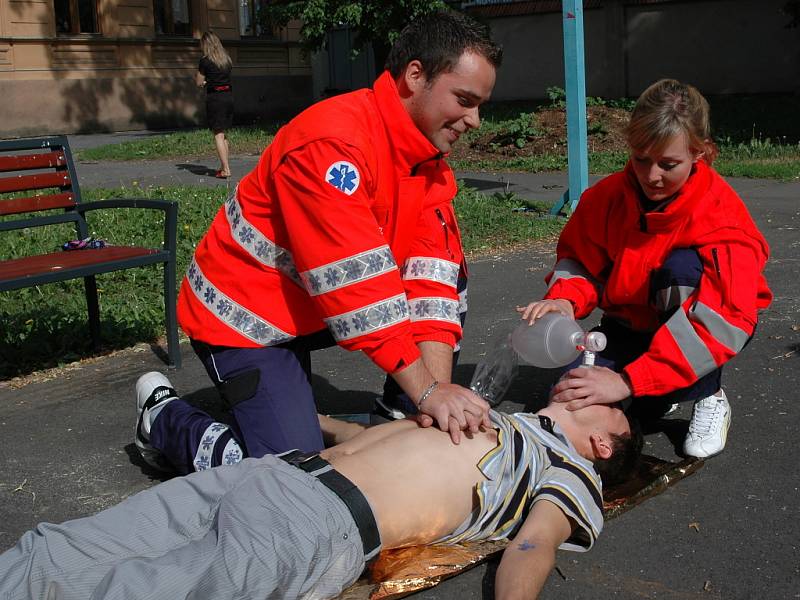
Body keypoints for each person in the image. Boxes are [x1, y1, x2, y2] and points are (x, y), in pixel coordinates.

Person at [173, 11, 503, 472]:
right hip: (246, 319)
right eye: (465, 100)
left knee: (450, 278)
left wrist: (431, 405)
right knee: (292, 475)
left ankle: (389, 414)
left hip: (310, 307)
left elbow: (434, 282)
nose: (475, 120)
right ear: (414, 76)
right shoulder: (332, 143)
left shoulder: (427, 161)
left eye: (481, 104)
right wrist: (429, 391)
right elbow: (352, 287)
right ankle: (165, 419)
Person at [0, 372, 642, 600]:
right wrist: (319, 422)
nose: (601, 383)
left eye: (617, 403)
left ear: (608, 440)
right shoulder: (506, 418)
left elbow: (535, 546)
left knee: (141, 592)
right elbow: (377, 439)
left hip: (321, 522)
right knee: (63, 549)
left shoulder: (570, 473)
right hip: (273, 472)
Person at [518, 79, 772, 458]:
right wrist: (565, 302)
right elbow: (579, 262)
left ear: (701, 154)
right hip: (626, 329)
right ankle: (660, 390)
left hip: (693, 331)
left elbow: (723, 321)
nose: (651, 176)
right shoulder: (605, 199)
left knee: (682, 270)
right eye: (640, 158)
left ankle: (707, 392)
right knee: (566, 395)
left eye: (668, 165)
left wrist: (625, 381)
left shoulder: (722, 219)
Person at [196, 31, 233, 179]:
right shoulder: (226, 60)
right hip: (229, 97)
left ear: (206, 45)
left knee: (218, 134)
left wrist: (206, 82)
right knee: (224, 135)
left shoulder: (205, 61)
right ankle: (225, 166)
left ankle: (225, 169)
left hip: (215, 98)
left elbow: (199, 82)